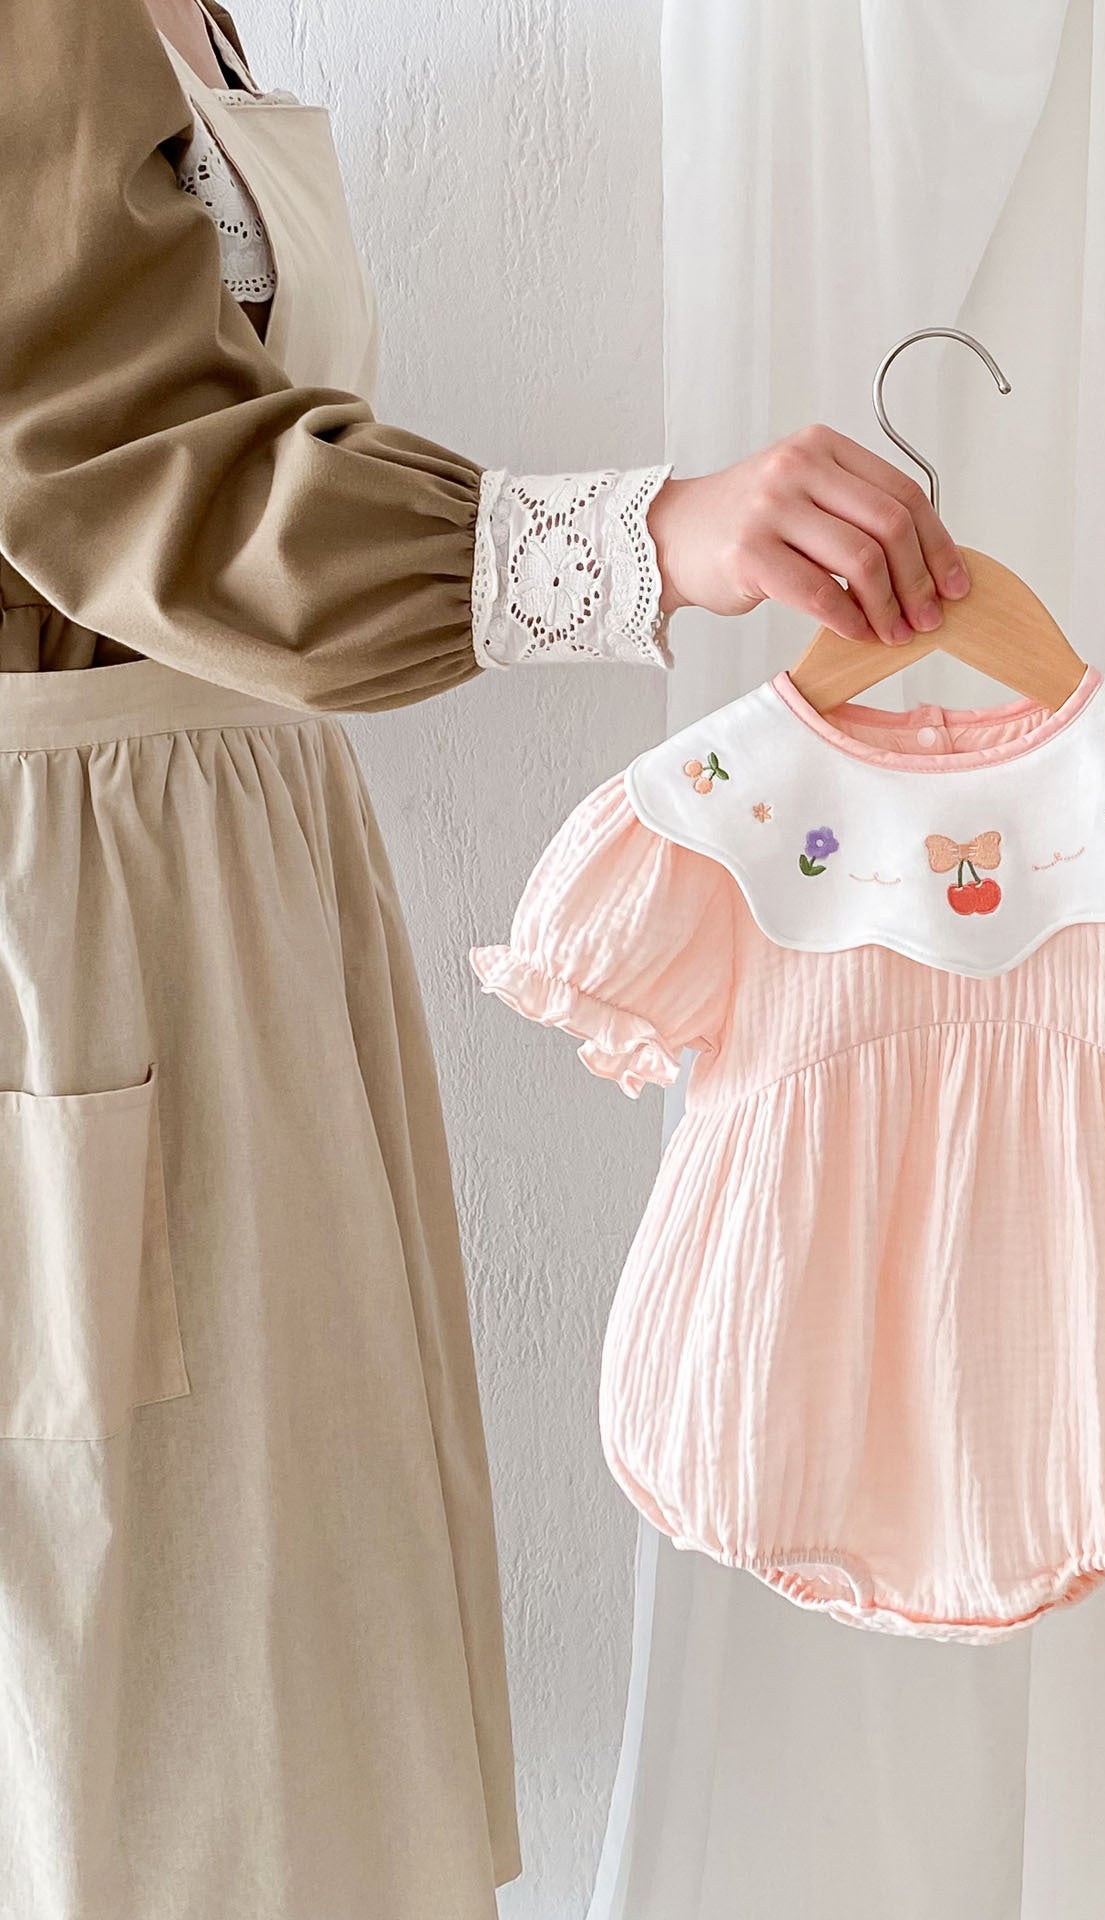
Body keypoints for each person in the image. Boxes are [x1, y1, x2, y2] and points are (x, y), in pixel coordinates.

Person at [0, 3, 966, 1915]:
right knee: (122, 1672)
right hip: (76, 898)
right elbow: (103, 460)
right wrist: (639, 538)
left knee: (262, 1650)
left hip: (227, 867)